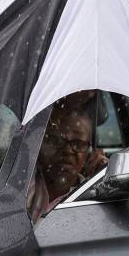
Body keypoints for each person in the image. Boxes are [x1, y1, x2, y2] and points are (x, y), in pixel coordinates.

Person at [27, 91, 108, 223]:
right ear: (41, 145)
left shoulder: (93, 193)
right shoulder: (24, 181)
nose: (67, 151)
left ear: (89, 152)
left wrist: (104, 181)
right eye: (57, 141)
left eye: (78, 144)